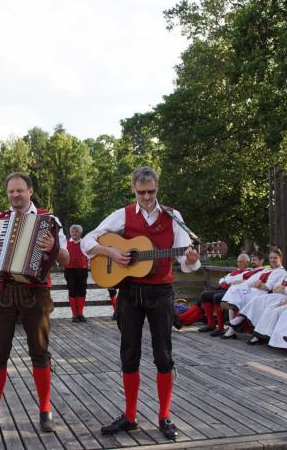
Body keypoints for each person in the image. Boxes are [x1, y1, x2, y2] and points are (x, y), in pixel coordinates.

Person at [81, 166, 200, 441]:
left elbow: (186, 260)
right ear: (133, 189)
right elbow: (88, 240)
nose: (147, 197)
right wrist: (110, 250)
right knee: (129, 353)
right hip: (131, 291)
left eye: (152, 192)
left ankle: (164, 416)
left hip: (161, 293)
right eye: (142, 192)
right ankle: (130, 416)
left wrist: (191, 260)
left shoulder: (173, 216)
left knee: (163, 355)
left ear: (158, 188)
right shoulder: (122, 214)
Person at [0, 172, 70, 434]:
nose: (15, 195)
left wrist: (53, 247)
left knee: (40, 352)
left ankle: (45, 409)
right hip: (3, 291)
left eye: (19, 191)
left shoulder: (49, 220)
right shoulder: (0, 219)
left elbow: (67, 259)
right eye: (10, 191)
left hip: (36, 293)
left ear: (30, 192)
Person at [223, 248, 287, 338]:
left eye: (275, 258)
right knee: (235, 292)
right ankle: (233, 326)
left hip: (265, 293)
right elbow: (253, 280)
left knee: (245, 298)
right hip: (256, 290)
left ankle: (238, 325)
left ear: (280, 259)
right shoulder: (268, 270)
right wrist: (248, 283)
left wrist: (259, 284)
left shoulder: (281, 272)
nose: (272, 260)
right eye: (271, 258)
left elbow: (268, 287)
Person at [197, 253, 253, 336]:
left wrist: (228, 282)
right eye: (238, 261)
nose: (239, 263)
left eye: (241, 261)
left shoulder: (249, 272)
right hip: (225, 289)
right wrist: (225, 282)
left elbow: (236, 282)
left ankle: (220, 328)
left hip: (235, 293)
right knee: (204, 295)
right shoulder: (235, 271)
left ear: (247, 262)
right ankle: (211, 324)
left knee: (217, 297)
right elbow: (223, 279)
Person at [64, 224, 89, 323]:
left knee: (82, 291)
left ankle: (80, 314)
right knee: (72, 291)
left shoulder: (85, 243)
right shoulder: (65, 243)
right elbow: (60, 254)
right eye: (73, 232)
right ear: (70, 233)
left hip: (82, 269)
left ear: (80, 232)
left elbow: (91, 254)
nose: (74, 233)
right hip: (69, 270)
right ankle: (74, 314)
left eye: (76, 231)